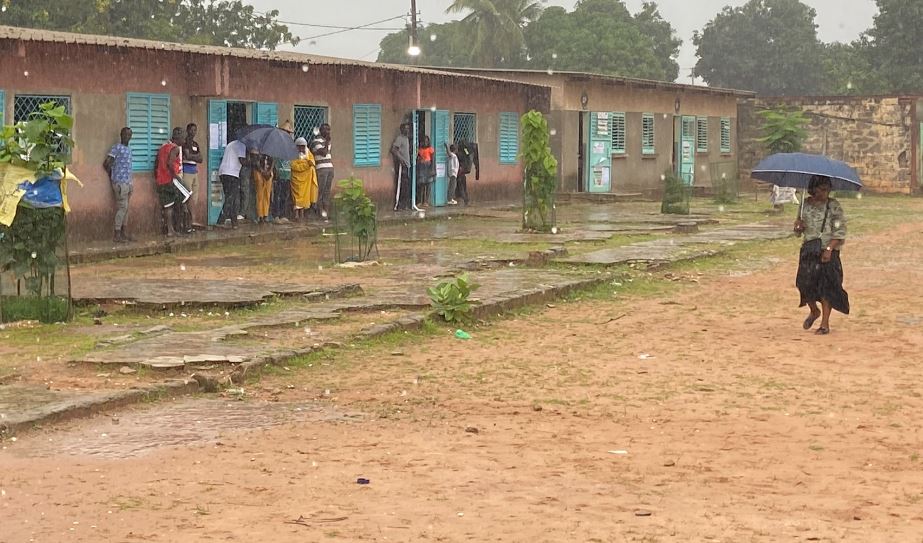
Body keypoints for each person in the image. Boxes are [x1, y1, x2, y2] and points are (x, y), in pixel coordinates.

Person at [793, 175, 849, 335]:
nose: (825, 193)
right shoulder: (804, 205)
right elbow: (798, 232)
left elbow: (840, 231)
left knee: (826, 287)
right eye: (821, 189)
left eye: (827, 189)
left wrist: (830, 249)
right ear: (813, 189)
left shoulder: (833, 206)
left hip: (828, 251)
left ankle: (825, 323)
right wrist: (798, 227)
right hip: (809, 249)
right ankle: (813, 310)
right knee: (804, 283)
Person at [154, 127, 192, 236]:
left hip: (161, 181)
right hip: (170, 179)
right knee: (188, 194)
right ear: (177, 138)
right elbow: (170, 163)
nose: (184, 141)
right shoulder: (174, 148)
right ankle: (186, 223)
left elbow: (156, 164)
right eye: (183, 139)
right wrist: (176, 177)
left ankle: (171, 230)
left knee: (168, 206)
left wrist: (157, 178)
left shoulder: (162, 148)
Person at [103, 127, 134, 242]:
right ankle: (117, 234)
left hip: (128, 182)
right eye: (125, 134)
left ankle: (123, 233)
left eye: (129, 134)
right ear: (121, 135)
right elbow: (106, 163)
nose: (127, 136)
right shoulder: (116, 148)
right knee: (122, 208)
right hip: (120, 183)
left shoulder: (129, 150)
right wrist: (113, 176)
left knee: (126, 209)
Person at [217, 139, 247, 229]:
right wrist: (252, 161)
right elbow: (242, 161)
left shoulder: (231, 144)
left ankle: (234, 222)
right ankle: (221, 219)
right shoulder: (241, 145)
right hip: (232, 173)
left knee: (231, 197)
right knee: (231, 198)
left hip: (224, 172)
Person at [290, 137, 318, 221]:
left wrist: (309, 164)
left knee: (304, 197)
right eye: (299, 146)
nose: (301, 148)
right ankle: (296, 215)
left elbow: (312, 162)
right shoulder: (293, 154)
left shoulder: (308, 153)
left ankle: (302, 214)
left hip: (306, 179)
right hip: (296, 178)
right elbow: (293, 165)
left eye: (303, 146)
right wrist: (305, 165)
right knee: (296, 197)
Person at [181, 123, 203, 226]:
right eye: (192, 130)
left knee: (194, 197)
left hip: (194, 172)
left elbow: (201, 159)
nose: (193, 132)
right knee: (186, 196)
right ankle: (187, 222)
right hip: (186, 171)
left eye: (195, 130)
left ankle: (192, 220)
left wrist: (192, 157)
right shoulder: (184, 143)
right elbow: (187, 156)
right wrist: (195, 156)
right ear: (188, 130)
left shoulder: (195, 144)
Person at [311, 123, 334, 221]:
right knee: (320, 192)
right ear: (321, 131)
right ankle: (320, 213)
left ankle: (326, 214)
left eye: (329, 129)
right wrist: (327, 142)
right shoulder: (316, 141)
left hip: (329, 168)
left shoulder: (326, 142)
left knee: (327, 192)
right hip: (321, 169)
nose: (328, 132)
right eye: (326, 130)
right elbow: (324, 153)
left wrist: (327, 142)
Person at [391, 123, 412, 211]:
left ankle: (404, 205)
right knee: (401, 185)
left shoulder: (406, 139)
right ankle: (398, 205)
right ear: (401, 129)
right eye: (405, 128)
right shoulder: (399, 138)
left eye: (408, 128)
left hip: (407, 165)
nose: (407, 130)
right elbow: (393, 150)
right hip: (401, 166)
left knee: (406, 186)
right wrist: (401, 160)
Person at [252, 153, 274, 224]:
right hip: (259, 172)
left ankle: (265, 214)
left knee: (267, 194)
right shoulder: (257, 150)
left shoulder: (271, 151)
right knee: (260, 194)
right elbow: (256, 162)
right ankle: (260, 215)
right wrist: (262, 171)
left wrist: (269, 171)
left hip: (268, 173)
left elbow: (273, 162)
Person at [416, 135, 434, 207]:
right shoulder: (420, 150)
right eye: (424, 141)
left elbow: (433, 159)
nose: (425, 143)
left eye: (426, 141)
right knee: (421, 185)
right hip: (421, 167)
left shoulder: (430, 149)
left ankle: (426, 201)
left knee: (428, 184)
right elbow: (418, 158)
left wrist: (432, 169)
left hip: (428, 166)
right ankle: (420, 201)